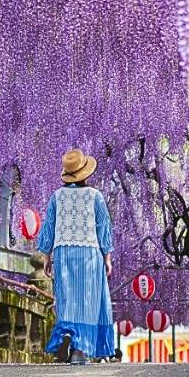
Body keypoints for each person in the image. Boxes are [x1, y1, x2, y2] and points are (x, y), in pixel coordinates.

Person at [36, 148, 115, 364]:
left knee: (67, 299)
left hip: (63, 252)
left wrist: (47, 257)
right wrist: (107, 257)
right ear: (86, 174)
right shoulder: (95, 196)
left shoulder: (57, 197)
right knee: (88, 300)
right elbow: (103, 228)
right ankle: (80, 350)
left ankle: (68, 334)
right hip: (90, 252)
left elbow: (49, 228)